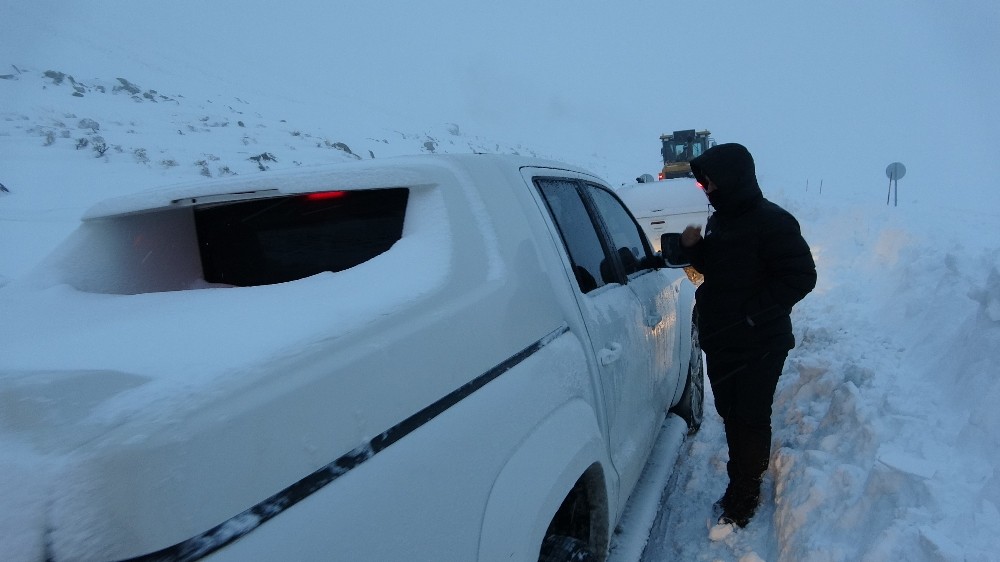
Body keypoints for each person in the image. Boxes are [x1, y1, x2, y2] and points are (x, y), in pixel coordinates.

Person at [678, 143, 816, 529]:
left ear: (734, 179)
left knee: (750, 417)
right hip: (722, 339)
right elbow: (719, 268)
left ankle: (746, 491)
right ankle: (739, 475)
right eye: (704, 183)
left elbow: (801, 276)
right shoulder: (720, 220)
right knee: (729, 413)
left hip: (760, 344)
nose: (707, 189)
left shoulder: (774, 222)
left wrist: (753, 316)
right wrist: (694, 249)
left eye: (711, 182)